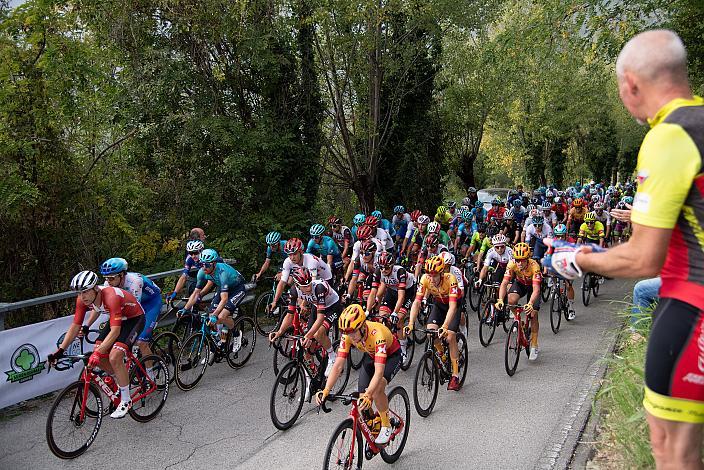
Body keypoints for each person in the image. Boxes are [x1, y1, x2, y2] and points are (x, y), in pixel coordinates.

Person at [543, 30, 704, 469]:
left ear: (631, 84)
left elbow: (642, 259)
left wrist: (576, 259)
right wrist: (639, 216)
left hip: (692, 307)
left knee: (674, 450)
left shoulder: (669, 136)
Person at [48, 271, 145, 419]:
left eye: (85, 291)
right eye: (79, 293)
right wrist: (60, 350)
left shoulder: (111, 296)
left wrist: (98, 353)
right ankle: (120, 380)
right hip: (118, 320)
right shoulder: (81, 300)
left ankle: (126, 400)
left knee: (115, 356)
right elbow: (75, 326)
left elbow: (115, 331)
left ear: (95, 289)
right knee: (98, 351)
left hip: (134, 318)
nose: (82, 297)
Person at [316, 304, 402, 445]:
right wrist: (326, 390)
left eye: (353, 332)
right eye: (347, 333)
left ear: (362, 326)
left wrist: (370, 394)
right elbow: (338, 366)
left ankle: (386, 425)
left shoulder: (377, 335)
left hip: (391, 356)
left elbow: (379, 372)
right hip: (371, 355)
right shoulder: (348, 335)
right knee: (362, 398)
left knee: (376, 390)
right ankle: (375, 427)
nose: (351, 336)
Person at [269, 266, 342, 377]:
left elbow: (321, 318)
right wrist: (279, 332)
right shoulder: (294, 291)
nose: (308, 288)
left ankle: (332, 357)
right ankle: (313, 377)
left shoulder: (319, 288)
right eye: (304, 286)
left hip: (332, 306)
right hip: (316, 306)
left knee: (317, 334)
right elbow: (289, 315)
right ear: (297, 285)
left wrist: (309, 335)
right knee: (307, 351)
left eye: (309, 284)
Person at [405, 256, 463, 391]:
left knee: (450, 336)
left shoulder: (450, 279)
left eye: (435, 275)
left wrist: (445, 326)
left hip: (453, 305)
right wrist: (411, 323)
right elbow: (417, 302)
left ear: (442, 273)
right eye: (429, 275)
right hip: (439, 305)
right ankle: (442, 355)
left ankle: (455, 375)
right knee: (431, 332)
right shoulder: (425, 279)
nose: (432, 278)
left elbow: (453, 306)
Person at [181, 249, 246, 352]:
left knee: (221, 316)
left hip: (236, 289)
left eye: (207, 265)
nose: (204, 267)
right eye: (202, 264)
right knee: (211, 316)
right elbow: (196, 293)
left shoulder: (222, 273)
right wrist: (185, 309)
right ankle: (221, 339)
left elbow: (224, 299)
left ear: (214, 264)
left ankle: (237, 334)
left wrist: (216, 315)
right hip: (222, 288)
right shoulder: (202, 272)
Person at [98, 257, 162, 363]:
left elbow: (135, 310)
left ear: (122, 275)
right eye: (106, 278)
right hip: (134, 305)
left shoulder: (135, 282)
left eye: (112, 278)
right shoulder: (108, 284)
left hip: (151, 304)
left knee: (141, 343)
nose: (108, 282)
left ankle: (151, 376)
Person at [496, 243, 542, 360]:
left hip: (532, 286)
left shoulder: (534, 266)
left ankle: (534, 345)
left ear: (527, 259)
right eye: (517, 260)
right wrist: (500, 299)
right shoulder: (512, 264)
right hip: (520, 283)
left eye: (522, 260)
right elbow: (504, 283)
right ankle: (518, 321)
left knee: (533, 314)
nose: (519, 263)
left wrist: (531, 303)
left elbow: (536, 290)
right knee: (511, 300)